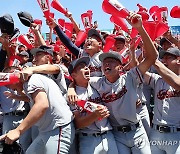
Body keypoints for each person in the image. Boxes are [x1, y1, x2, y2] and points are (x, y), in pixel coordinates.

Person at [68, 12, 158, 153]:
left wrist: (140, 28)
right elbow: (79, 79)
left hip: (136, 132)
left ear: (120, 67)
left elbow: (152, 57)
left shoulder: (130, 77)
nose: (106, 63)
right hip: (116, 135)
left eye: (111, 61)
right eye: (104, 62)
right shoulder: (97, 82)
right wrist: (71, 89)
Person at [0, 46, 75, 154]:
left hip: (58, 128)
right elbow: (33, 99)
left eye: (7, 84)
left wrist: (18, 130)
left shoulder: (33, 78)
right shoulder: (32, 79)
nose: (8, 88)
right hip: (47, 130)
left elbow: (42, 105)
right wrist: (18, 96)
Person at [68, 56, 118, 154]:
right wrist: (95, 115)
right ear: (74, 75)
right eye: (81, 67)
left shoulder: (96, 84)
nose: (86, 68)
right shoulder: (72, 97)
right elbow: (78, 124)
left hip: (109, 136)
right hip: (89, 140)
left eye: (86, 66)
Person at [144, 48, 180, 154]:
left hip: (176, 134)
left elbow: (177, 83)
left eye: (168, 58)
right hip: (156, 133)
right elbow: (136, 68)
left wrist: (154, 60)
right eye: (163, 58)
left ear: (178, 60)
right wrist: (132, 51)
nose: (164, 60)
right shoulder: (157, 80)